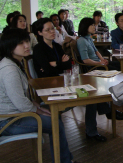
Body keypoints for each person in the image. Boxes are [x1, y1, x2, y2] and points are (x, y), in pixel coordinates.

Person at [0, 29, 76, 163]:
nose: (27, 46)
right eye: (21, 43)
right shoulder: (9, 70)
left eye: (27, 41)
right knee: (55, 123)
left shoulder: (14, 63)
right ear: (10, 46)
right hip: (9, 121)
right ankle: (65, 161)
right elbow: (21, 103)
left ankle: (64, 159)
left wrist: (38, 107)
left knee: (52, 113)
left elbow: (23, 99)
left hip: (16, 114)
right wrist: (38, 110)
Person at [77, 17, 123, 141]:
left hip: (98, 65)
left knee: (120, 67)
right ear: (85, 27)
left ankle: (110, 110)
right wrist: (100, 64)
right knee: (117, 70)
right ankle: (110, 111)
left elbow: (96, 52)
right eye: (92, 26)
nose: (94, 27)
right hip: (91, 68)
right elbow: (85, 60)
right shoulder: (81, 41)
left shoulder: (89, 38)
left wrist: (102, 60)